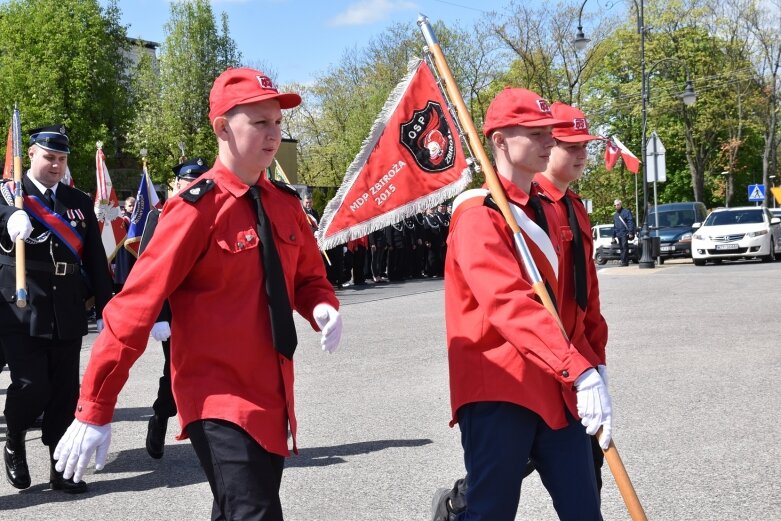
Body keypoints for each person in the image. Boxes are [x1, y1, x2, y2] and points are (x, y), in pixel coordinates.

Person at [53, 67, 343, 520]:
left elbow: (307, 277)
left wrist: (321, 305)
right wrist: (95, 406)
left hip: (273, 394)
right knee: (255, 511)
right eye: (260, 122)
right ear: (223, 127)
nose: (273, 135)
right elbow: (133, 306)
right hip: (218, 398)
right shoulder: (195, 208)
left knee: (237, 510)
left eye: (278, 123)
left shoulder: (283, 204)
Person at [432, 88, 612, 521]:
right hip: (501, 387)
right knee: (491, 511)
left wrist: (594, 363)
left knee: (585, 507)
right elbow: (509, 303)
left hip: (558, 381)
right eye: (534, 133)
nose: (548, 140)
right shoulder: (480, 214)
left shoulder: (551, 212)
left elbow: (576, 302)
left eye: (548, 131)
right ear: (499, 141)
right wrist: (580, 369)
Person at [0, 125, 113, 493]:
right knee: (31, 387)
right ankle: (14, 437)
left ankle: (60, 467)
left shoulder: (77, 201)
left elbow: (96, 261)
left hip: (66, 306)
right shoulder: (9, 197)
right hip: (21, 305)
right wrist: (7, 220)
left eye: (61, 159)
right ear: (29, 154)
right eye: (49, 157)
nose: (56, 166)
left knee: (65, 393)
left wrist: (110, 311)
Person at [534, 101, 610, 492]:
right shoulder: (528, 210)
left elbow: (588, 296)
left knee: (586, 475)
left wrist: (597, 361)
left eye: (586, 146)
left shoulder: (574, 205)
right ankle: (455, 506)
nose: (582, 155)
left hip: (575, 358)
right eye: (572, 146)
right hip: (537, 363)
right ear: (548, 145)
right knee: (503, 472)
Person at [141, 157, 210, 459]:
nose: (193, 185)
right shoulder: (161, 216)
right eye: (188, 180)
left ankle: (214, 440)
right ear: (178, 184)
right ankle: (160, 417)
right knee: (176, 374)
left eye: (200, 179)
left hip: (210, 312)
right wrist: (158, 315)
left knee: (213, 374)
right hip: (174, 312)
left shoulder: (215, 213)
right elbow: (148, 269)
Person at [612, 199, 635, 266]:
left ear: (621, 204)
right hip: (618, 233)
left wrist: (630, 232)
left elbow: (630, 222)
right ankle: (624, 261)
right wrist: (613, 236)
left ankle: (624, 261)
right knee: (621, 248)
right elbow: (614, 226)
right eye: (615, 205)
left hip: (625, 233)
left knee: (624, 247)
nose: (616, 206)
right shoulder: (615, 215)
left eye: (618, 204)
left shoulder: (626, 212)